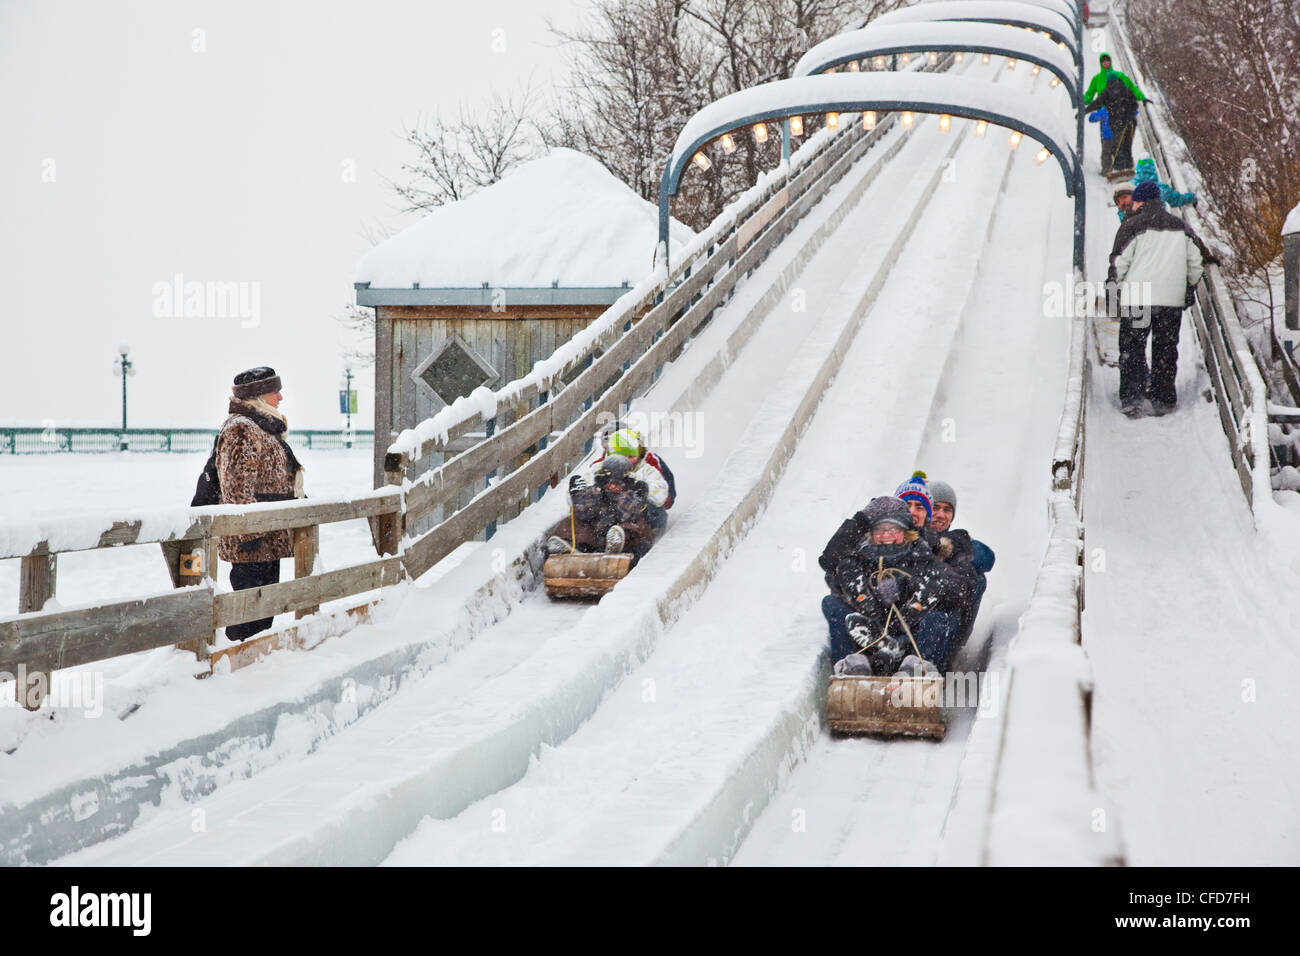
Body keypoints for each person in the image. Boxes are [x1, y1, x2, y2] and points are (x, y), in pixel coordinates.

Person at [820, 496, 965, 676]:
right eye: (880, 530)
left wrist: (906, 590)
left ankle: (916, 668)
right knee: (833, 604)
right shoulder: (859, 559)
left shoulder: (921, 557)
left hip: (910, 636)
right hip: (871, 638)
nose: (886, 535)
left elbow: (951, 588)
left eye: (893, 529)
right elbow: (835, 569)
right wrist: (869, 601)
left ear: (905, 532)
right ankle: (852, 665)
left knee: (938, 618)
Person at [216, 366, 305, 641]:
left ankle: (255, 669)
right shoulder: (242, 428)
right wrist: (252, 535)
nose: (280, 397)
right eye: (274, 391)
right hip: (252, 543)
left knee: (264, 614)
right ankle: (236, 669)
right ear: (258, 396)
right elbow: (236, 490)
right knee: (248, 617)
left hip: (268, 538)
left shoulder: (263, 427)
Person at [1106, 180, 1208, 417]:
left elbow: (1119, 264)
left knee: (1133, 347)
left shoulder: (1132, 226)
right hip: (1170, 301)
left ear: (1140, 201)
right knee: (1165, 347)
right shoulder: (1180, 226)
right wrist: (1188, 286)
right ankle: (1163, 399)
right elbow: (1196, 262)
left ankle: (1133, 398)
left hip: (1139, 298)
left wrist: (1115, 289)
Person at [546, 455, 656, 564]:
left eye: (617, 482)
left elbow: (625, 514)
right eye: (609, 482)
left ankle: (616, 543)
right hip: (596, 537)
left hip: (626, 538)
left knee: (631, 526)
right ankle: (568, 544)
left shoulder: (632, 495)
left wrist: (636, 497)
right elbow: (582, 511)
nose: (612, 486)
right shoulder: (598, 491)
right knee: (573, 520)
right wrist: (577, 495)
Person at [927, 480, 995, 645]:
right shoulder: (907, 537)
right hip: (911, 617)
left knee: (977, 579)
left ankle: (954, 646)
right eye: (935, 508)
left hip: (942, 617)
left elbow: (988, 559)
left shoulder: (957, 541)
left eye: (947, 510)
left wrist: (956, 543)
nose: (941, 515)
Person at [593, 427, 673, 531]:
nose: (627, 461)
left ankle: (619, 538)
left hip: (634, 516)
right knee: (582, 514)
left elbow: (661, 491)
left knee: (643, 516)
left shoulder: (646, 470)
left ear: (639, 455)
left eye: (631, 456)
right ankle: (571, 539)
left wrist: (639, 487)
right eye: (621, 456)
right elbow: (585, 488)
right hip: (604, 515)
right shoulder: (600, 468)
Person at [1132, 157, 1197, 208]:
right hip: (1158, 221)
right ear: (1153, 169)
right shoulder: (1160, 188)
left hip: (1135, 222)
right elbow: (1176, 200)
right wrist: (1192, 197)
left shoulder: (1131, 187)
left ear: (1138, 169)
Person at [1088, 107, 1115, 177]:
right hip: (1118, 135)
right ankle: (1117, 169)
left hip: (1107, 136)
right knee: (1117, 152)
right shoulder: (1119, 106)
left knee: (1106, 154)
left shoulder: (1104, 110)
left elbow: (1092, 118)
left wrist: (1093, 112)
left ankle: (1106, 170)